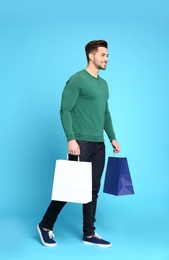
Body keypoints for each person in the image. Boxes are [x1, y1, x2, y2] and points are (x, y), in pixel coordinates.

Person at [37, 40, 120, 248]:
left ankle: (89, 233)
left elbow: (105, 113)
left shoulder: (103, 84)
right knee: (69, 188)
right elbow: (64, 109)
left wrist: (112, 137)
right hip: (80, 142)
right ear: (91, 56)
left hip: (98, 144)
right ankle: (45, 226)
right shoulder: (77, 80)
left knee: (92, 190)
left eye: (107, 55)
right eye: (103, 55)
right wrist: (71, 138)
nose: (106, 59)